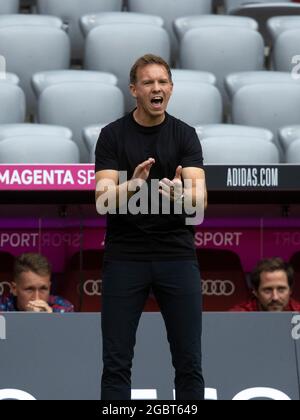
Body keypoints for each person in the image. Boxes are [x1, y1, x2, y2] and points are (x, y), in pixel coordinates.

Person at [95, 54, 207, 400]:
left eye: (162, 82)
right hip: (125, 257)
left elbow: (199, 206)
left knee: (188, 362)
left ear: (170, 88)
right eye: (148, 82)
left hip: (176, 255)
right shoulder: (112, 136)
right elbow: (101, 202)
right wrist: (134, 184)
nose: (156, 88)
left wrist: (180, 196)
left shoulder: (185, 136)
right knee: (116, 363)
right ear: (134, 90)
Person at [0, 253, 74, 313]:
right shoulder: (2, 308)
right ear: (14, 289)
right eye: (29, 289)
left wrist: (51, 320)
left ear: (49, 287)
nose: (36, 298)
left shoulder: (64, 309)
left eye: (43, 289)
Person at [230, 257, 300, 312]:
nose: (275, 297)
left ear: (290, 290)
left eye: (281, 289)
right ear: (255, 292)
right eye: (267, 290)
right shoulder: (238, 316)